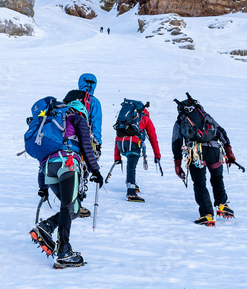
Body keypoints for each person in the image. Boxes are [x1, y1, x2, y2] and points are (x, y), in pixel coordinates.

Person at [31, 100, 103, 268]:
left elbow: (43, 157)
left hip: (49, 168)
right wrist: (96, 171)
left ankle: (46, 226)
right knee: (67, 206)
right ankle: (64, 251)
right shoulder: (77, 119)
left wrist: (42, 187)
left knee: (74, 209)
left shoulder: (52, 126)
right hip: (68, 163)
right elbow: (86, 146)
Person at [171, 94, 237, 226]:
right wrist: (229, 153)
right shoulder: (205, 116)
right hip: (214, 150)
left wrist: (177, 164)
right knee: (217, 178)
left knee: (200, 183)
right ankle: (222, 204)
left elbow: (176, 142)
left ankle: (207, 214)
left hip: (195, 153)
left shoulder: (180, 121)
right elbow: (221, 131)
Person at [63, 73, 103, 217]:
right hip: (87, 139)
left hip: (69, 139)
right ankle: (76, 204)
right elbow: (96, 124)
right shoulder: (94, 102)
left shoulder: (70, 98)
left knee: (70, 168)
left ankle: (68, 198)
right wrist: (97, 144)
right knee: (83, 171)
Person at [112, 100, 161, 202]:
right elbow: (153, 138)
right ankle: (131, 191)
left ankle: (132, 183)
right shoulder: (145, 118)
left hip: (121, 144)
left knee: (130, 165)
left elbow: (118, 135)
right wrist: (157, 155)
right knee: (131, 166)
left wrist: (117, 156)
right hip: (134, 143)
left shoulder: (124, 119)